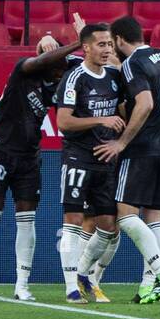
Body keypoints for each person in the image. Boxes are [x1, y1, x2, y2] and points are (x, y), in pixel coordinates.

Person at [0, 28, 81, 301]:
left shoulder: (61, 80)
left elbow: (89, 62)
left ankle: (22, 283)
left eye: (63, 67)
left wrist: (74, 42)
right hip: (0, 148)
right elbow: (43, 54)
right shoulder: (24, 70)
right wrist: (76, 41)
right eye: (57, 66)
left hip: (30, 155)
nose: (61, 72)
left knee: (27, 218)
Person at [94, 16, 160, 305]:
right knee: (154, 219)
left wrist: (121, 142)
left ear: (119, 39)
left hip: (143, 149)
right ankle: (149, 285)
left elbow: (145, 103)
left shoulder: (133, 63)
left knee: (126, 215)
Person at [55, 22, 125, 304]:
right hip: (78, 157)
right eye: (101, 44)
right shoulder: (74, 79)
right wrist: (101, 119)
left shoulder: (113, 77)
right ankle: (72, 287)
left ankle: (84, 273)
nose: (107, 49)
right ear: (86, 48)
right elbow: (63, 122)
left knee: (109, 225)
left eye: (110, 44)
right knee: (72, 220)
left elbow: (122, 111)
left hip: (106, 159)